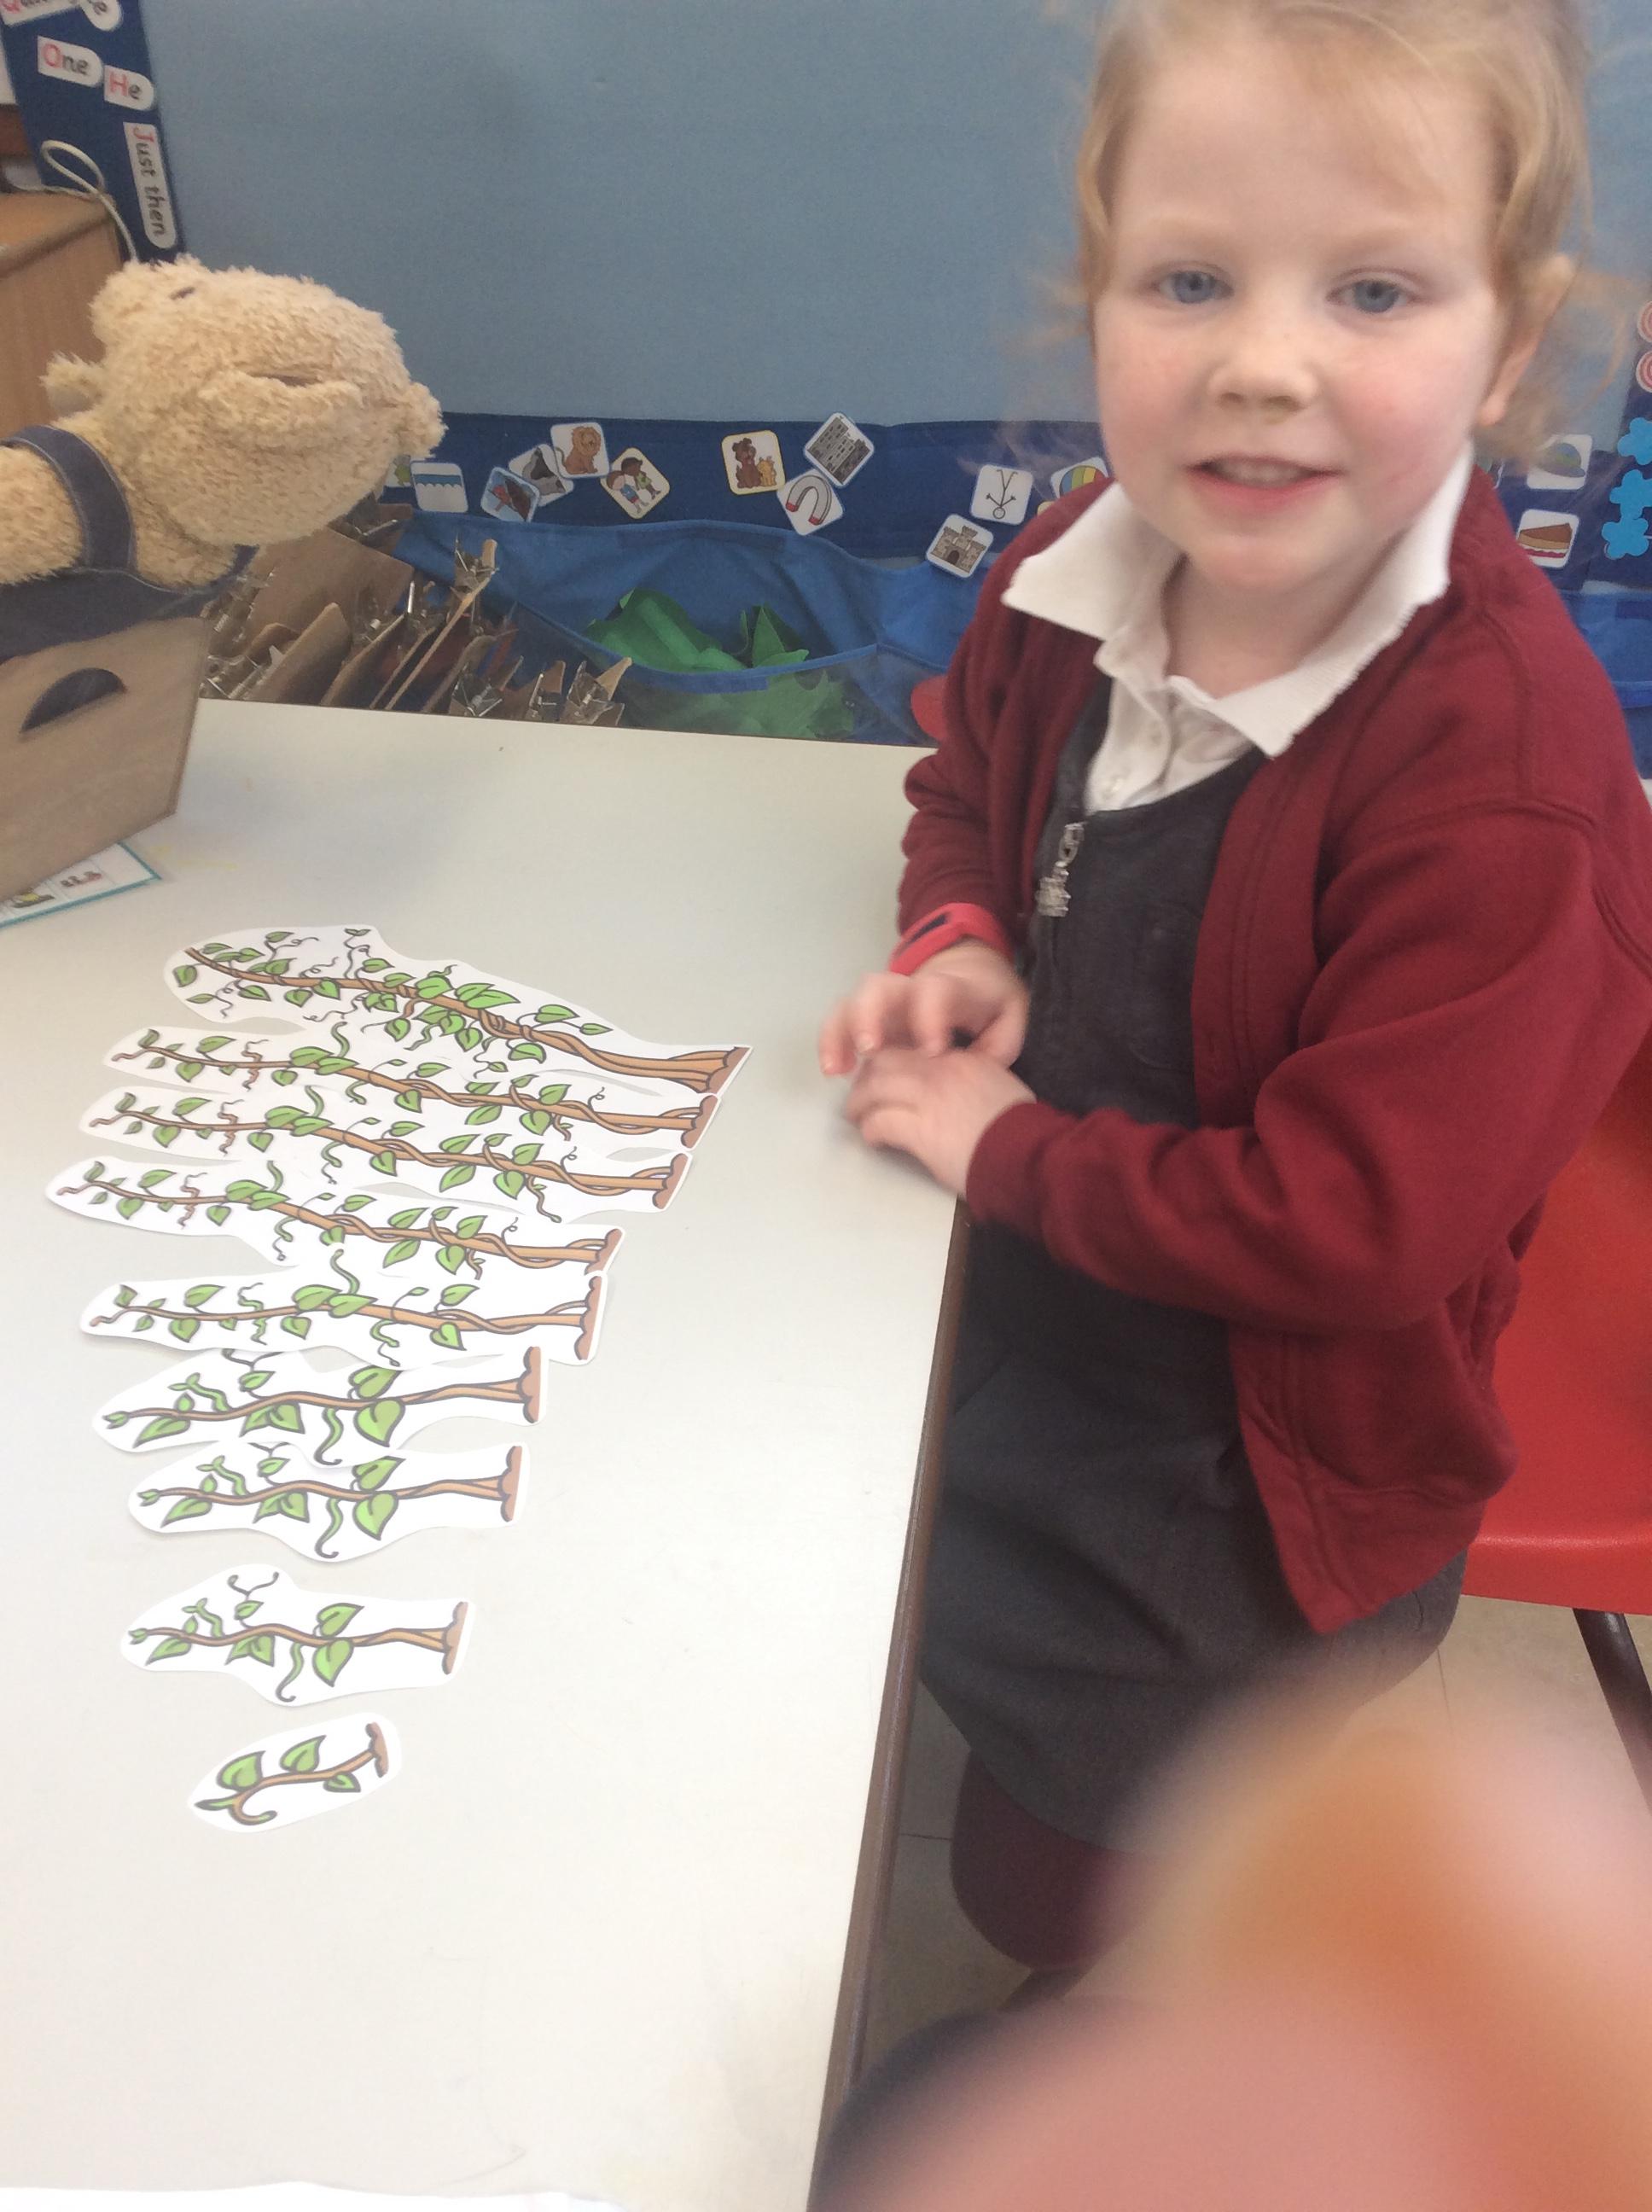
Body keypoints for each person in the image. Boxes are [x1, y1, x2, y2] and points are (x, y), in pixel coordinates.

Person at [819, 0, 1652, 1981]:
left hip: (1243, 1490)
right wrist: (964, 936)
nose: (1259, 365)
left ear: (1508, 342)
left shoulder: (1495, 781)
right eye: (1188, 280)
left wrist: (1006, 1150)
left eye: (1371, 290)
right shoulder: (1082, 564)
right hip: (1022, 1333)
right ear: (1093, 292)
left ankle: (1134, 2016)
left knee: (1065, 1883)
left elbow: (1350, 1226)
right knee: (875, 1639)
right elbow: (962, 781)